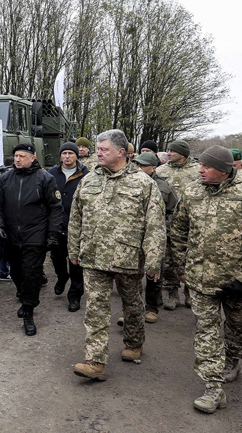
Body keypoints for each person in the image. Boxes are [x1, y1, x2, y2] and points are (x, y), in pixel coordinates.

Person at [169, 145, 242, 414]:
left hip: (237, 281)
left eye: (206, 166)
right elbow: (179, 230)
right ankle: (213, 389)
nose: (200, 170)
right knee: (206, 333)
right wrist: (182, 264)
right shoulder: (193, 191)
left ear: (224, 170)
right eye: (200, 165)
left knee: (237, 327)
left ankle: (233, 357)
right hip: (200, 278)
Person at [69, 129, 166, 381]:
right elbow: (75, 218)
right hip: (93, 256)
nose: (98, 153)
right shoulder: (88, 180)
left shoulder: (144, 183)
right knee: (96, 309)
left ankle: (134, 343)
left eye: (104, 150)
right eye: (98, 149)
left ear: (121, 152)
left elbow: (155, 225)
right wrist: (73, 249)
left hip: (128, 259)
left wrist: (154, 260)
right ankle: (95, 361)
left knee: (132, 305)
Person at [0, 143, 64, 336]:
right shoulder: (4, 179)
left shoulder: (45, 179)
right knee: (16, 273)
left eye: (22, 156)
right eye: (15, 156)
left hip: (35, 235)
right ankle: (26, 298)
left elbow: (56, 208)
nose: (17, 159)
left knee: (31, 274)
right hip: (11, 236)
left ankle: (29, 313)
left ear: (32, 158)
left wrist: (52, 234)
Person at [133, 152, 179, 323]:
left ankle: (152, 308)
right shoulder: (130, 184)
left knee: (154, 273)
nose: (139, 168)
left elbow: (174, 210)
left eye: (143, 165)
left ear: (153, 168)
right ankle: (133, 309)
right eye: (137, 165)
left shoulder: (163, 187)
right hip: (134, 236)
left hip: (155, 236)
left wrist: (165, 230)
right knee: (132, 275)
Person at [155, 139, 200, 309]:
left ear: (183, 154)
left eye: (172, 151)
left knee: (191, 256)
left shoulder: (197, 171)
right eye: (168, 150)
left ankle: (190, 291)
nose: (169, 153)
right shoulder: (161, 170)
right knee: (168, 258)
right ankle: (171, 292)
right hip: (167, 221)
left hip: (191, 222)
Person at [47, 142, 88, 312]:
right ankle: (62, 277)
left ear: (77, 155)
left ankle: (75, 295)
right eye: (64, 153)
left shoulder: (86, 175)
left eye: (71, 153)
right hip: (56, 225)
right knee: (56, 258)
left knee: (76, 263)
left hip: (77, 226)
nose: (67, 157)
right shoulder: (51, 174)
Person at [0, 157, 14, 280]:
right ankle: (3, 271)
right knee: (3, 245)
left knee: (0, 245)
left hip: (1, 215)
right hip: (5, 215)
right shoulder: (4, 178)